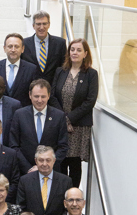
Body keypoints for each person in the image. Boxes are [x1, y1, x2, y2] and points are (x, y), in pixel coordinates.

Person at [51, 39, 99, 186]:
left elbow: (90, 101)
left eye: (79, 50)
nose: (75, 53)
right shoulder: (60, 71)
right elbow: (52, 95)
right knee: (60, 162)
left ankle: (72, 199)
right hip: (60, 124)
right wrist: (63, 118)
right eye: (72, 49)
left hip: (78, 127)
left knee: (74, 164)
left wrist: (69, 118)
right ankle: (60, 200)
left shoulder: (91, 74)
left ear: (85, 53)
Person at [9, 78, 68, 175]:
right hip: (25, 173)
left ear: (49, 96)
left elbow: (63, 146)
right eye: (36, 96)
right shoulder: (19, 115)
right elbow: (14, 145)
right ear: (30, 95)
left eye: (43, 96)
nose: (39, 100)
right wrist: (29, 168)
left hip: (51, 172)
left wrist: (46, 166)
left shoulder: (59, 116)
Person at [16, 145, 73, 215]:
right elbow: (20, 207)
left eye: (48, 160)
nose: (44, 164)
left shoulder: (65, 181)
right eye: (41, 160)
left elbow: (68, 209)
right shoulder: (25, 181)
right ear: (36, 161)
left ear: (54, 160)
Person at [0, 33, 40, 108]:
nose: (13, 50)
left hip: (22, 114)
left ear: (22, 49)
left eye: (16, 46)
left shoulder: (32, 69)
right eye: (10, 46)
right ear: (4, 48)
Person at [21, 11, 67, 86]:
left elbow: (64, 67)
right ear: (33, 26)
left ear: (49, 25)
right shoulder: (24, 43)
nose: (41, 27)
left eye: (44, 24)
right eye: (38, 24)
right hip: (30, 89)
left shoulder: (60, 43)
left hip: (53, 90)